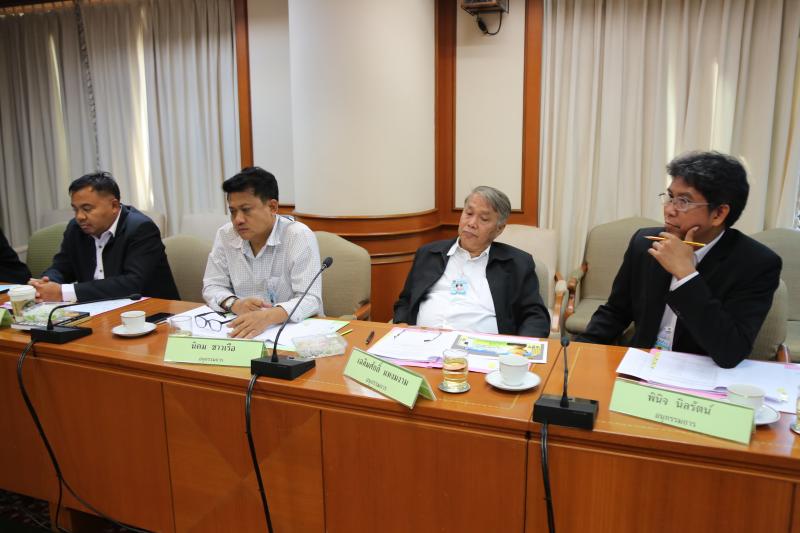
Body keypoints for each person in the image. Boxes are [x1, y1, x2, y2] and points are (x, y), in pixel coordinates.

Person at [577, 151, 782, 368]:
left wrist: (687, 275)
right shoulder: (645, 243)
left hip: (702, 375)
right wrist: (577, 352)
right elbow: (615, 312)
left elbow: (730, 351)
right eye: (670, 197)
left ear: (719, 214)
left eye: (684, 201)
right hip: (642, 366)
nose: (668, 210)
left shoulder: (756, 264)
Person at [393, 186, 550, 338]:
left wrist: (518, 350)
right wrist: (402, 325)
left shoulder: (517, 264)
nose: (472, 223)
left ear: (499, 229)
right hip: (421, 343)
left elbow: (536, 317)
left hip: (482, 350)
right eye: (468, 213)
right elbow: (406, 301)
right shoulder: (428, 254)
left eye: (484, 219)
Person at [202, 167, 323, 339]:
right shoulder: (226, 235)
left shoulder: (298, 236)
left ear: (272, 207)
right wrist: (235, 304)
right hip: (241, 331)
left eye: (246, 209)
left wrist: (267, 317)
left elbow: (310, 299)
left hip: (293, 334)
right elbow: (212, 285)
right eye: (233, 211)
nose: (238, 220)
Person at [28, 172, 179, 302]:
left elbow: (132, 284)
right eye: (75, 209)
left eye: (87, 209)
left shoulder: (141, 228)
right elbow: (61, 268)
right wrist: (46, 283)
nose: (79, 217)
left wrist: (63, 292)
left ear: (114, 206)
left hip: (150, 312)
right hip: (96, 310)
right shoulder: (76, 229)